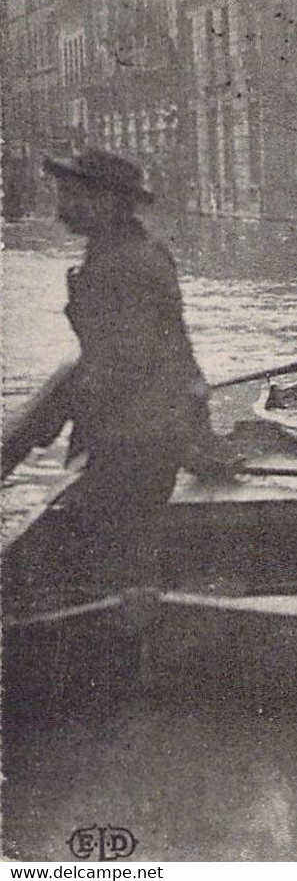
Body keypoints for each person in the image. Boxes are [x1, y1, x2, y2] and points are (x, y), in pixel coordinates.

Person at [22, 150, 222, 578]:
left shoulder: (125, 267)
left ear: (107, 202)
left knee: (115, 561)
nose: (60, 209)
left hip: (133, 442)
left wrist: (33, 430)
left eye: (71, 195)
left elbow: (117, 367)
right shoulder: (121, 253)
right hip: (136, 437)